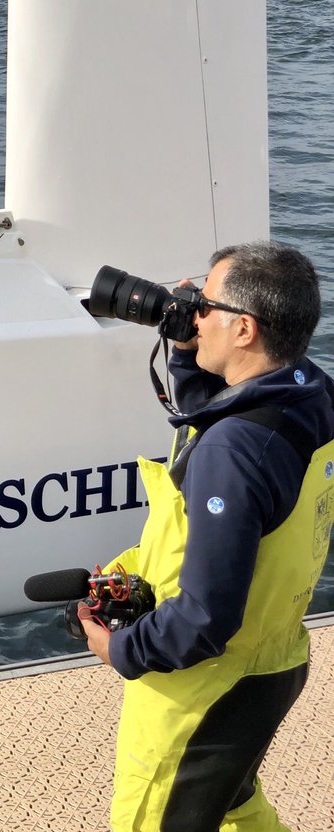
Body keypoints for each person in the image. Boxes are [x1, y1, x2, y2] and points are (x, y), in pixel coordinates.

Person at [79, 241, 334, 831]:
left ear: (243, 329)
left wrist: (120, 650)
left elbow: (204, 617)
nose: (191, 312)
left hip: (199, 693)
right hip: (271, 665)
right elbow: (220, 424)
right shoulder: (310, 394)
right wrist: (190, 356)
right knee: (234, 809)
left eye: (204, 305)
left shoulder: (234, 449)